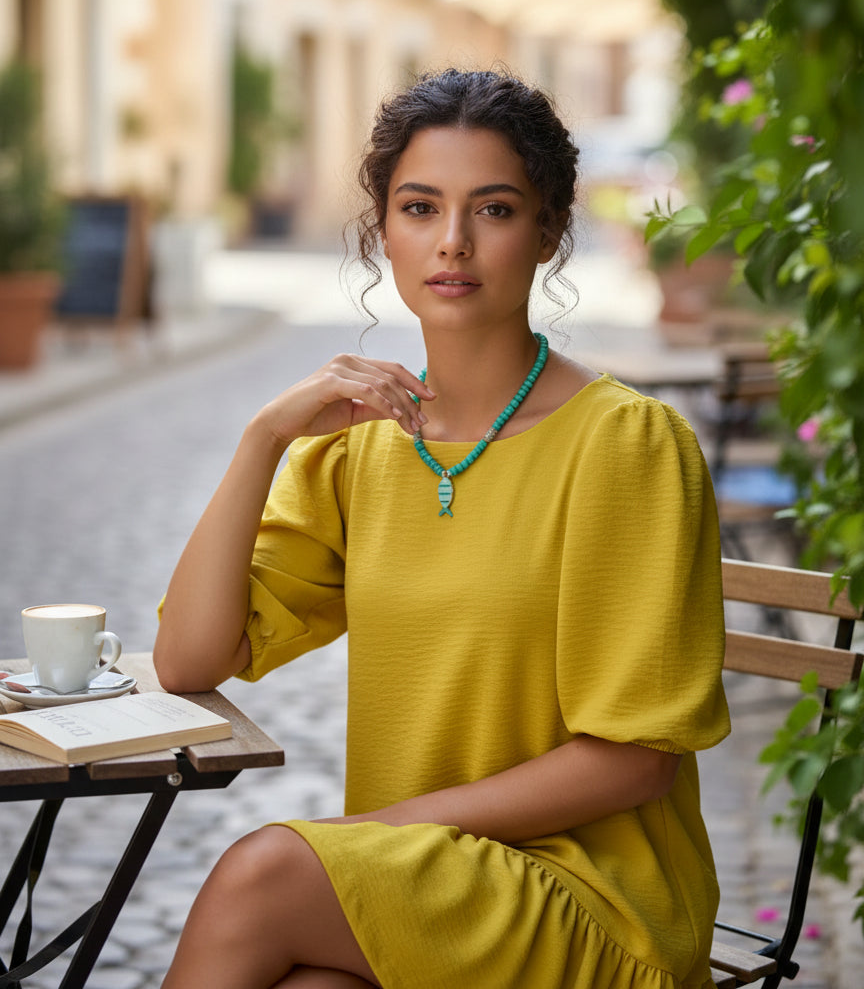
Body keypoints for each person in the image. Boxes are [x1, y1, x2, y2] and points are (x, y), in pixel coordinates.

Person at [154, 67, 730, 989]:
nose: (452, 243)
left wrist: (364, 836)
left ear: (548, 231)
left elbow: (633, 765)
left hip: (597, 903)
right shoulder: (360, 451)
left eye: (494, 210)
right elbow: (187, 662)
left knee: (262, 874)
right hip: (424, 890)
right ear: (383, 230)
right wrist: (263, 437)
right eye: (420, 208)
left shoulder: (626, 445)